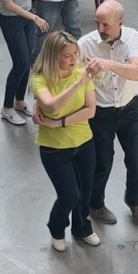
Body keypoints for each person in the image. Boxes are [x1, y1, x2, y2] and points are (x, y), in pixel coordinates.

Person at [79, 1, 138, 229]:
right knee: (102, 164)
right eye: (97, 23)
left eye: (106, 25)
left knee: (137, 163)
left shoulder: (133, 38)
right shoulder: (85, 45)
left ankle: (134, 201)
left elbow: (136, 71)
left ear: (121, 22)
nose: (101, 29)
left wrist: (108, 64)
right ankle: (96, 204)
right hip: (100, 114)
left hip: (129, 109)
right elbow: (70, 76)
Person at [31, 31, 101, 252]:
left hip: (84, 142)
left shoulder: (81, 73)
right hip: (54, 149)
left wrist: (59, 123)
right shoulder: (40, 79)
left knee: (86, 191)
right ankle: (57, 227)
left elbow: (90, 111)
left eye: (75, 54)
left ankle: (82, 228)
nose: (73, 59)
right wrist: (78, 84)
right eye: (67, 56)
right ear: (53, 57)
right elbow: (51, 105)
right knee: (69, 195)